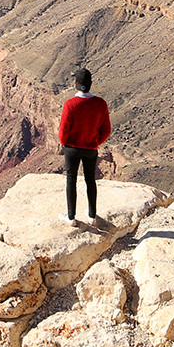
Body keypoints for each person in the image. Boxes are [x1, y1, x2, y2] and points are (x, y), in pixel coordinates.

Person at [57, 66, 110, 227]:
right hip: (90, 148)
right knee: (90, 180)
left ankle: (71, 218)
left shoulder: (70, 104)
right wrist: (95, 142)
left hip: (72, 148)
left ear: (75, 83)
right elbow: (106, 130)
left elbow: (63, 130)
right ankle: (92, 216)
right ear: (91, 83)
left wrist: (65, 143)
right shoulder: (100, 104)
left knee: (71, 180)